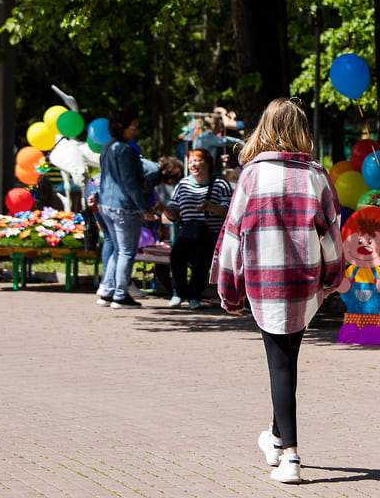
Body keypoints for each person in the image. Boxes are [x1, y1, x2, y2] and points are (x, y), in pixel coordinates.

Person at [212, 97, 343, 484]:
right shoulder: (316, 175)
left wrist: (229, 291)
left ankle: (290, 455)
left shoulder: (251, 176)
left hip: (265, 283)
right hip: (303, 284)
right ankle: (275, 436)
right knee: (287, 360)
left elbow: (234, 237)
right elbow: (331, 236)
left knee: (280, 363)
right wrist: (332, 279)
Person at [154, 149, 232, 309]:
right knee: (176, 257)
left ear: (207, 163)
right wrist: (163, 208)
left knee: (201, 259)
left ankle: (194, 295)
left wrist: (210, 207)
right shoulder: (182, 184)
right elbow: (174, 212)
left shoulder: (220, 183)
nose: (194, 165)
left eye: (197, 161)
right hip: (187, 233)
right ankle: (178, 293)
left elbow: (228, 210)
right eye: (191, 162)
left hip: (210, 235)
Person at [95, 108, 156, 309]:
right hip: (124, 207)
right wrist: (144, 206)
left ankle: (107, 290)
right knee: (127, 252)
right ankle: (120, 294)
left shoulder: (107, 146)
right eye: (134, 127)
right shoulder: (125, 149)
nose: (135, 131)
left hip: (105, 203)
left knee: (117, 249)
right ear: (124, 127)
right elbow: (130, 183)